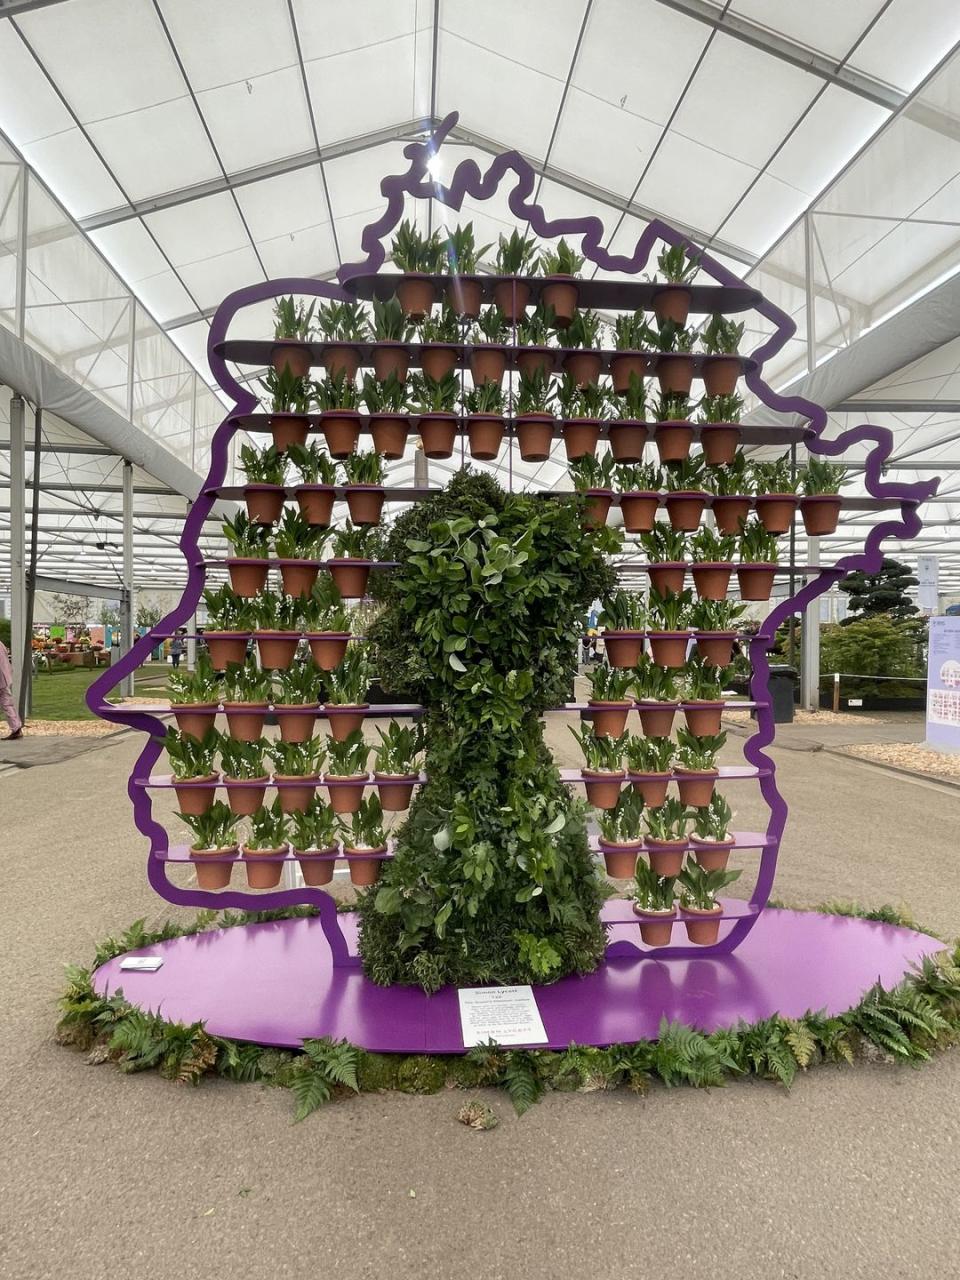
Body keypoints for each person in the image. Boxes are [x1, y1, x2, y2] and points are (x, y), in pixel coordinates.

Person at [0, 639, 23, 740]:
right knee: (7, 703)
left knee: (7, 703)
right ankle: (16, 727)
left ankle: (16, 727)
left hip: (1, 677)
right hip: (4, 677)